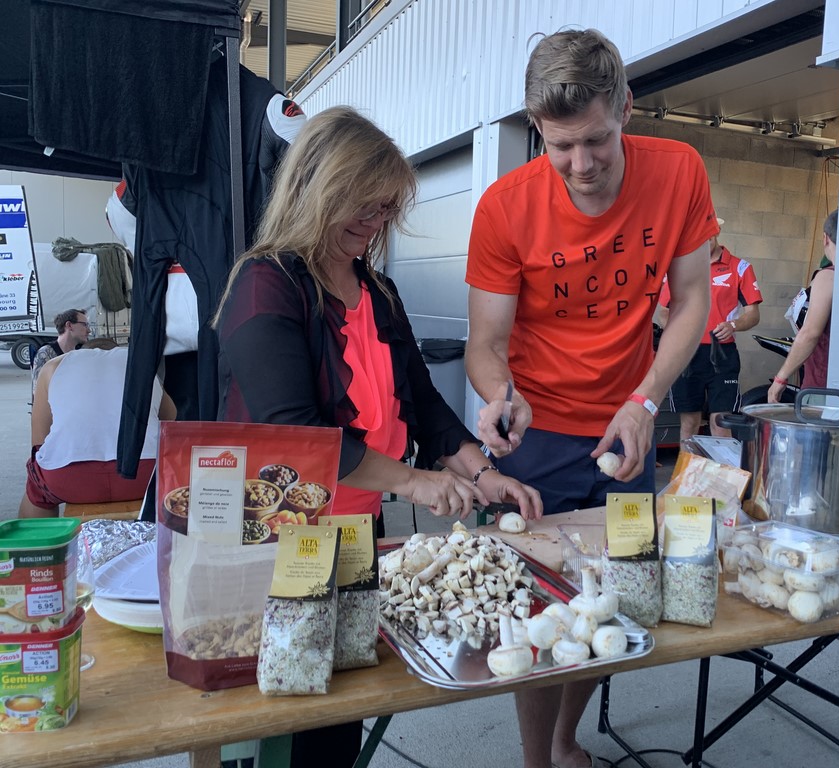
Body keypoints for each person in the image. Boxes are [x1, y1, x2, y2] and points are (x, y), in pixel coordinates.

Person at [213, 105, 543, 767]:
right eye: (362, 205)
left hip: (355, 527)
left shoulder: (378, 291)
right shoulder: (266, 284)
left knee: (341, 701)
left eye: (386, 208)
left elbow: (425, 406)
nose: (374, 222)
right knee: (282, 705)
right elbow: (297, 438)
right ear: (318, 187)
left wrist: (484, 474)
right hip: (277, 536)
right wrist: (417, 482)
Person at [465, 28, 716, 768]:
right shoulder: (505, 207)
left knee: (610, 596)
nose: (581, 164)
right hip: (537, 435)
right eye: (561, 145)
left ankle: (566, 738)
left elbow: (693, 300)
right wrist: (501, 396)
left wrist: (647, 400)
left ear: (626, 108)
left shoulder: (679, 170)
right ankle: (534, 761)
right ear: (536, 128)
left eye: (597, 140)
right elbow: (485, 343)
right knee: (536, 606)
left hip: (626, 426)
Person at [19, 338, 175, 518]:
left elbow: (38, 442)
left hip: (68, 479)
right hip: (144, 474)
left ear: (81, 351)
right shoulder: (139, 363)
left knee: (38, 490)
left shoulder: (53, 366)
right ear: (116, 350)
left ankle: (37, 535)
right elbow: (171, 418)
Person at [654, 218, 762, 441]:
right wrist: (679, 331)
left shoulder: (740, 267)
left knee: (720, 423)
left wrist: (733, 325)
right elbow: (663, 311)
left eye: (708, 236)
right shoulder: (680, 267)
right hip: (687, 353)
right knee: (690, 423)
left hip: (722, 353)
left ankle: (721, 466)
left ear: (717, 231)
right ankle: (690, 467)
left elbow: (753, 314)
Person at [768, 209, 838, 403]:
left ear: (825, 238)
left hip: (822, 387)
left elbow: (810, 333)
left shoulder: (828, 276)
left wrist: (780, 379)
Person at [31, 307, 90, 395]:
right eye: (84, 325)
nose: (89, 330)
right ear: (69, 325)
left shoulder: (81, 354)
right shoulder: (46, 354)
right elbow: (38, 393)